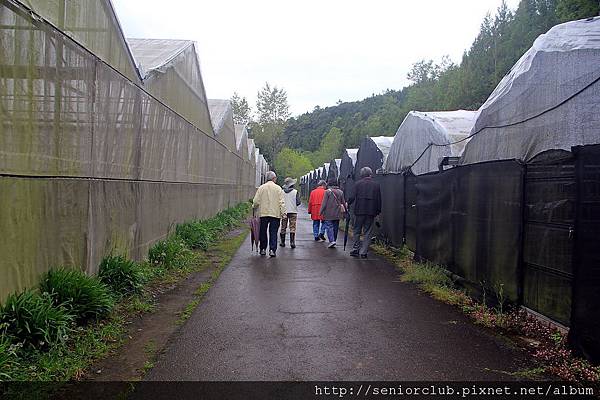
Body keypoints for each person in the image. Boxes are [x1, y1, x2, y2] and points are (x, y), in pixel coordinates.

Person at [347, 167, 381, 259]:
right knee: (368, 232)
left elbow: (352, 197)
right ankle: (364, 252)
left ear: (361, 175)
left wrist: (348, 204)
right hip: (371, 212)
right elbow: (378, 200)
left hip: (359, 211)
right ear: (370, 174)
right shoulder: (376, 185)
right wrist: (378, 212)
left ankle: (356, 249)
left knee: (357, 230)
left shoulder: (357, 184)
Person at [252, 171, 285, 257]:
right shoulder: (278, 189)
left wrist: (254, 207)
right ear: (274, 178)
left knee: (263, 231)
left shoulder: (261, 188)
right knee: (273, 232)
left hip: (263, 213)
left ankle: (263, 249)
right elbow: (281, 202)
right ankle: (272, 250)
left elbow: (256, 201)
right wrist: (283, 213)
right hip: (275, 214)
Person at [319, 177, 346, 248]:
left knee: (329, 226)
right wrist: (345, 211)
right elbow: (343, 202)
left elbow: (324, 203)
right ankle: (334, 240)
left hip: (328, 213)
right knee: (336, 226)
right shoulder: (341, 192)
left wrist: (320, 212)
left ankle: (332, 240)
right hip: (337, 213)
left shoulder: (327, 192)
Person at [280, 177, 301, 249]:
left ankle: (282, 242)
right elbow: (298, 202)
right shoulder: (295, 192)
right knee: (292, 227)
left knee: (283, 227)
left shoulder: (282, 191)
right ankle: (292, 242)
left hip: (284, 211)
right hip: (293, 211)